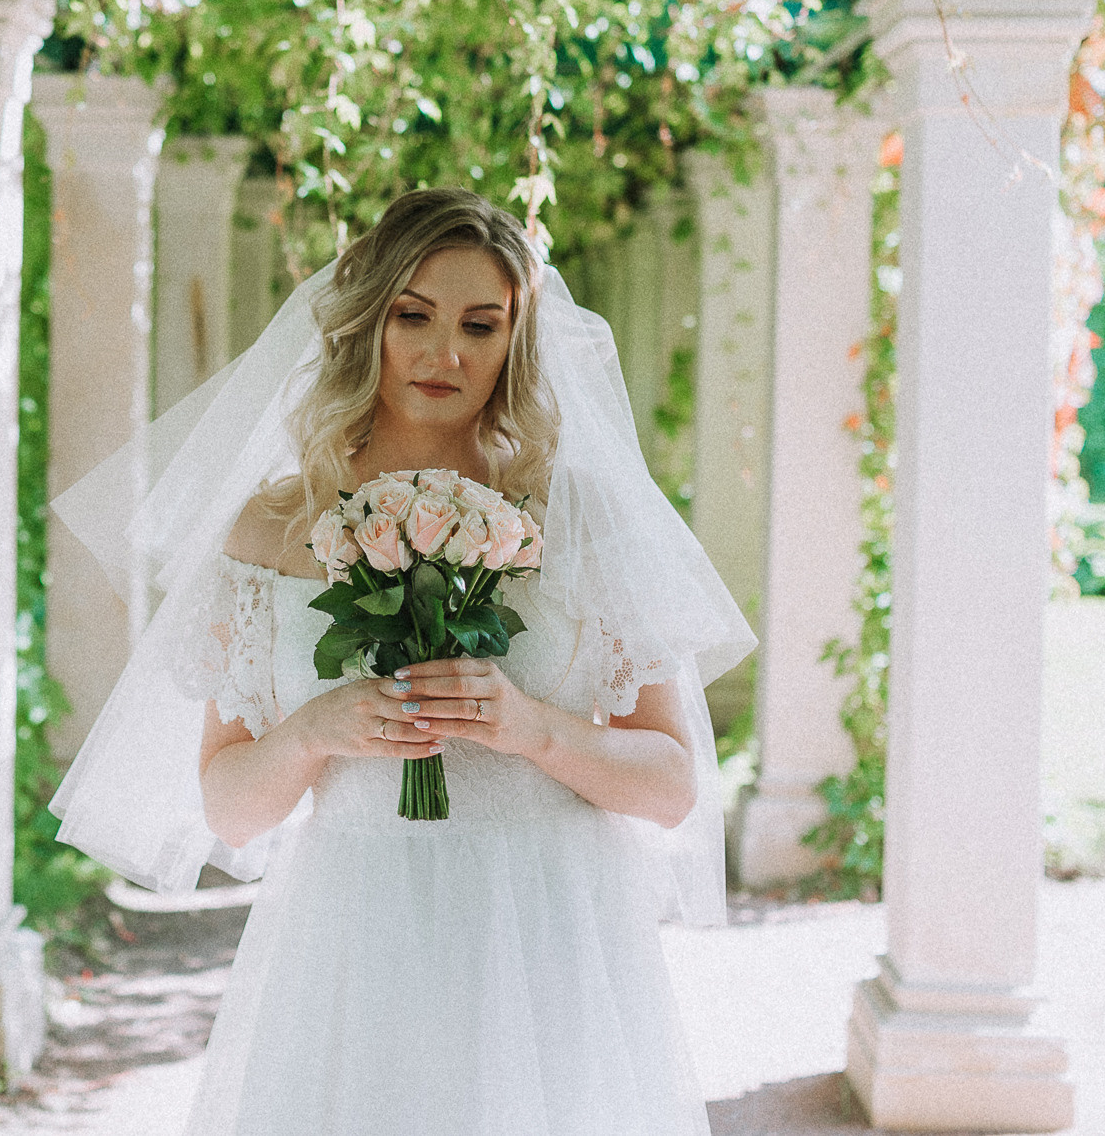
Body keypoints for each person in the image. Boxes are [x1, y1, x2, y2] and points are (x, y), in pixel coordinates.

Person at [52, 187, 755, 1136]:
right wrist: (312, 731)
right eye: (412, 315)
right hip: (354, 938)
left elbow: (675, 785)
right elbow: (231, 804)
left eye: (481, 324)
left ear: (517, 340)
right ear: (366, 321)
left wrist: (533, 728)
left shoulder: (581, 514)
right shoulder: (273, 524)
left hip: (546, 929)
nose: (444, 354)